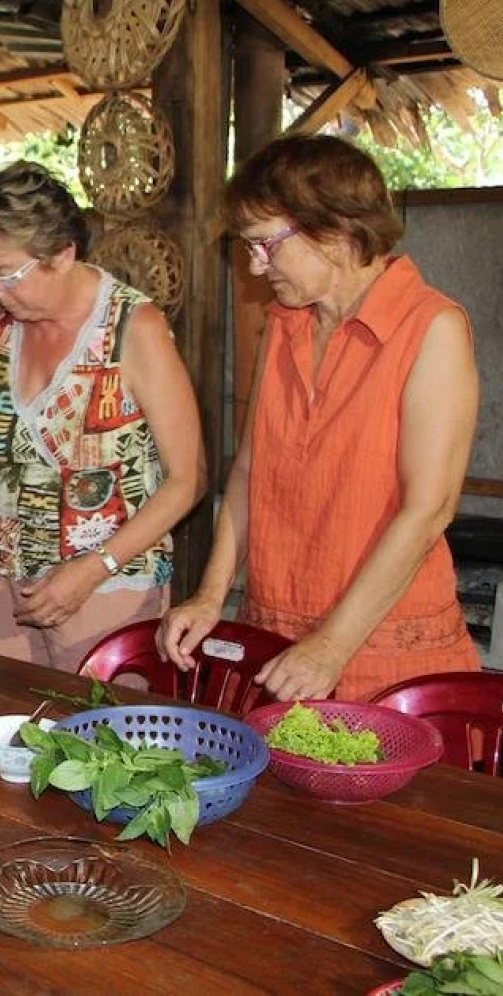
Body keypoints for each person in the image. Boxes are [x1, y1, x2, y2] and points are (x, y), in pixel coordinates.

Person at [158, 135, 480, 702]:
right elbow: (249, 472)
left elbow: (429, 509)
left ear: (332, 230)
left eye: (265, 246)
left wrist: (333, 644)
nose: (256, 268)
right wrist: (211, 595)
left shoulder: (431, 329)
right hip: (277, 637)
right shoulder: (285, 324)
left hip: (381, 653)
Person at [0, 162, 204, 671]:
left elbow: (188, 479)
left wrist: (94, 567)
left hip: (110, 585)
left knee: (92, 740)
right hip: (9, 577)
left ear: (63, 254)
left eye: (6, 273)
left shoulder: (133, 328)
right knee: (2, 725)